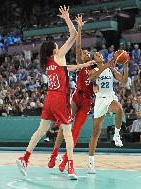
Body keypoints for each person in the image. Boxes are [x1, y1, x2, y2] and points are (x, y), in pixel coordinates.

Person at [16, 6, 92, 180]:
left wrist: (82, 66)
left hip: (49, 98)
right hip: (60, 98)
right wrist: (66, 18)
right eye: (58, 46)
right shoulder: (59, 55)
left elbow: (67, 69)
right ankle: (71, 168)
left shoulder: (50, 62)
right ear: (55, 50)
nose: (60, 47)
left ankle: (25, 158)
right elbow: (73, 35)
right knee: (67, 132)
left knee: (41, 130)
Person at [47, 15, 96, 172]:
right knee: (64, 126)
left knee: (75, 132)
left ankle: (66, 162)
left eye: (87, 52)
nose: (84, 52)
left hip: (87, 102)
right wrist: (80, 28)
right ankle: (54, 155)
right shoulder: (80, 64)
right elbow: (77, 45)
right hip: (76, 97)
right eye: (83, 52)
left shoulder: (94, 70)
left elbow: (97, 84)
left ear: (90, 57)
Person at [87, 51, 128, 173]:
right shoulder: (93, 70)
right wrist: (105, 66)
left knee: (119, 109)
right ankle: (90, 164)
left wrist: (125, 66)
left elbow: (124, 80)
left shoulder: (110, 69)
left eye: (100, 54)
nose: (99, 55)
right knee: (95, 134)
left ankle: (116, 134)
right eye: (97, 55)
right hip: (100, 100)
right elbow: (91, 78)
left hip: (110, 97)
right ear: (94, 60)